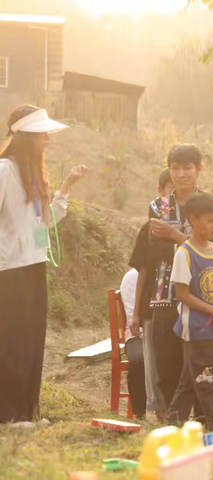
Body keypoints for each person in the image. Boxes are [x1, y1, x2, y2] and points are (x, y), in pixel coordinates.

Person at [0, 105, 86, 424]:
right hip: (8, 273)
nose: (47, 140)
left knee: (32, 340)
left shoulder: (33, 176)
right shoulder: (4, 171)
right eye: (42, 134)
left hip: (33, 269)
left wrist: (64, 188)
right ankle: (9, 415)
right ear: (27, 137)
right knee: (12, 341)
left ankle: (27, 412)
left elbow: (42, 225)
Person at [129, 144, 213, 414]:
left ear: (199, 168)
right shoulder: (156, 207)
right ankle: (171, 419)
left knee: (203, 359)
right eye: (175, 168)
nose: (181, 174)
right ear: (168, 169)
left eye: (187, 168)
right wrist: (138, 310)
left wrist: (173, 237)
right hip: (164, 296)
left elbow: (210, 248)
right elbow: (152, 255)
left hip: (202, 295)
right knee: (166, 362)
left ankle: (203, 415)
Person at [167, 193, 213, 432]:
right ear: (193, 220)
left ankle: (173, 421)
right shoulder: (183, 254)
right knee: (207, 379)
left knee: (190, 379)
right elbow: (182, 295)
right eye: (209, 220)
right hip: (194, 328)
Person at [120, 268, 148, 420]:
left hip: (161, 333)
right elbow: (132, 318)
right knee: (139, 360)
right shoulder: (132, 277)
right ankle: (139, 413)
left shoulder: (163, 273)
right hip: (137, 335)